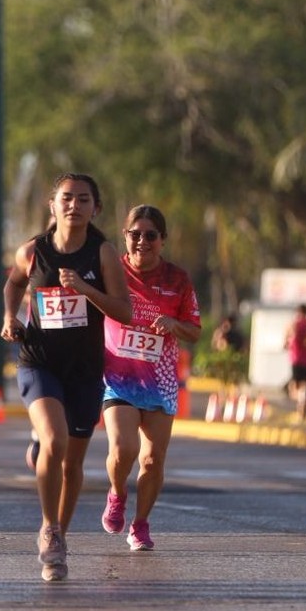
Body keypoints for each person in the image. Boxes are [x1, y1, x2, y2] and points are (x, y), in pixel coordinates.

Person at [1, 173, 132, 582]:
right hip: (39, 360)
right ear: (52, 205)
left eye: (83, 199)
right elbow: (13, 283)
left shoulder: (103, 253)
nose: (74, 205)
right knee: (55, 442)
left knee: (72, 462)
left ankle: (63, 532)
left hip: (85, 369)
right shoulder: (33, 251)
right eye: (66, 198)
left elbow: (123, 311)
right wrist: (10, 317)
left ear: (96, 208)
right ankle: (49, 529)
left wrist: (84, 290)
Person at [100, 205, 202, 552]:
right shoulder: (112, 273)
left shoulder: (178, 279)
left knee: (152, 459)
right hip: (119, 378)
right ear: (125, 237)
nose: (142, 241)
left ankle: (140, 524)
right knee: (124, 448)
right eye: (135, 235)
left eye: (150, 235)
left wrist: (175, 325)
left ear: (162, 240)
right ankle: (116, 493)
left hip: (159, 382)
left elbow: (194, 330)